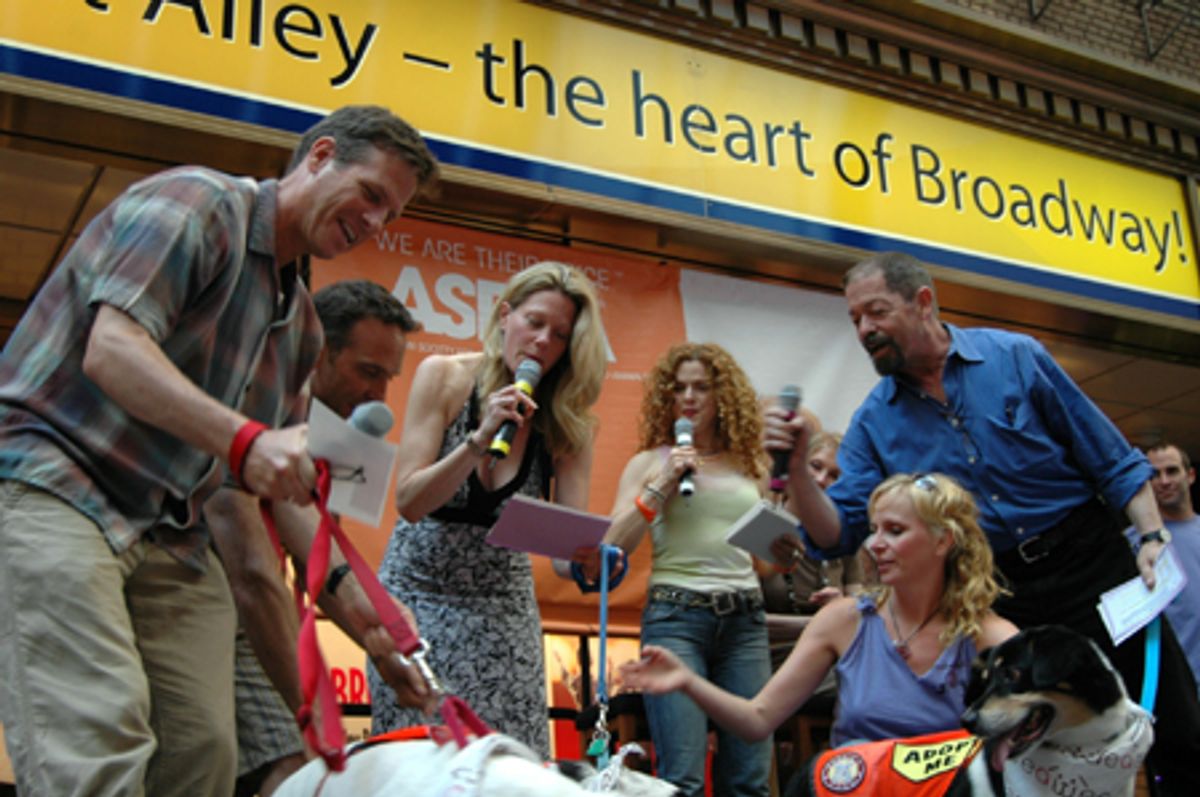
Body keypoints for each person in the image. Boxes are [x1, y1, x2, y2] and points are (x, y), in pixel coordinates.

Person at [0, 104, 438, 797]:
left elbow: (279, 491)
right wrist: (245, 439)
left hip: (171, 528)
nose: (376, 223)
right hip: (55, 479)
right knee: (98, 740)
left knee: (203, 749)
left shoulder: (299, 328)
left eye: (392, 213)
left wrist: (369, 618)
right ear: (320, 157)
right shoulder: (201, 203)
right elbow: (111, 349)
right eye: (373, 195)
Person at [765, 250, 1200, 796]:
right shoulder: (875, 419)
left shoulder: (1015, 356)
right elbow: (836, 532)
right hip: (997, 593)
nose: (864, 329)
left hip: (1093, 565)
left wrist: (1152, 537)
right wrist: (801, 471)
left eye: (875, 312)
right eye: (854, 319)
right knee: (1016, 753)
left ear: (923, 302)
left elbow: (1110, 458)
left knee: (1174, 726)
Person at [368, 261, 608, 757]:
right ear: (505, 316)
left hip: (502, 604)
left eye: (560, 334)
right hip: (418, 592)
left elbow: (563, 556)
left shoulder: (567, 421)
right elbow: (410, 502)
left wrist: (586, 558)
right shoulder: (444, 376)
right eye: (534, 322)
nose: (543, 340)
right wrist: (477, 442)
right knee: (415, 756)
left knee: (510, 760)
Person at [621, 473, 1015, 749]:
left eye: (894, 531)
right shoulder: (844, 620)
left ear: (943, 540)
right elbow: (757, 719)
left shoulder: (989, 636)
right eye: (874, 529)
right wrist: (687, 680)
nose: (875, 544)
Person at [213, 280, 421, 797]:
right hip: (213, 584)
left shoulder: (351, 442)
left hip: (255, 601)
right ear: (317, 353)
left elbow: (323, 560)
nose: (379, 396)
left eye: (388, 377)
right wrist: (317, 711)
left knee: (282, 767)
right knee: (268, 763)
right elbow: (257, 570)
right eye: (368, 372)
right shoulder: (254, 393)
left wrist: (379, 637)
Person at [597, 342, 772, 797]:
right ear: (667, 400)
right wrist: (661, 485)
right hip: (676, 618)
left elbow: (766, 565)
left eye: (702, 387)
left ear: (724, 396)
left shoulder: (752, 465)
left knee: (749, 778)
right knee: (683, 778)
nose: (689, 397)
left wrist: (784, 547)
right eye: (679, 389)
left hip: (745, 620)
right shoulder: (649, 462)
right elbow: (613, 545)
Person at [761, 431, 863, 666]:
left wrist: (842, 604)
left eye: (834, 476)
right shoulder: (764, 524)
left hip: (830, 654)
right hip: (771, 656)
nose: (820, 479)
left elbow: (859, 610)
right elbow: (748, 621)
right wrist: (829, 621)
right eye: (815, 466)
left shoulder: (844, 537)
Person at [1125, 443, 1200, 696]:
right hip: (1173, 688)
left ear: (1190, 476)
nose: (1164, 481)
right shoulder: (1133, 543)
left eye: (1172, 471)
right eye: (1154, 475)